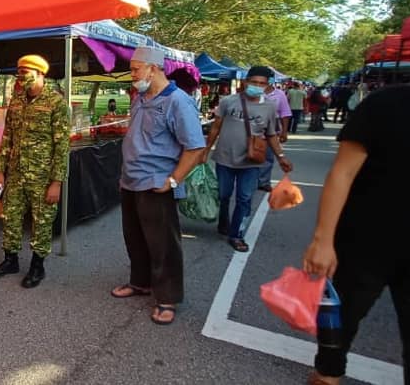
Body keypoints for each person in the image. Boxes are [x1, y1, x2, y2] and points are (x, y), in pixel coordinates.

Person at [302, 9, 410, 385]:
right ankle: (327, 371)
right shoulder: (387, 104)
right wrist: (323, 240)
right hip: (366, 243)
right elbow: (342, 173)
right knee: (340, 319)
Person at [110, 47, 205, 325]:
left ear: (153, 69)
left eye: (135, 69)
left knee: (163, 244)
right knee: (135, 238)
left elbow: (195, 148)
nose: (132, 75)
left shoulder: (178, 101)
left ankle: (167, 298)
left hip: (157, 183)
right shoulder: (140, 98)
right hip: (131, 181)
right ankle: (140, 282)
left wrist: (173, 180)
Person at [0, 54, 69, 289]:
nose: (20, 76)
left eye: (25, 72)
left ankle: (37, 266)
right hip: (16, 173)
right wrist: (0, 170)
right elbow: (7, 138)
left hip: (42, 177)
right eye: (19, 72)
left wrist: (57, 182)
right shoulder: (16, 101)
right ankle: (10, 260)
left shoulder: (56, 103)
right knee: (10, 218)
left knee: (41, 221)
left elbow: (62, 146)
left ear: (40, 73)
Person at [202, 66, 293, 252]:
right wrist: (205, 151)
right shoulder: (228, 102)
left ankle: (237, 235)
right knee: (223, 195)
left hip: (251, 162)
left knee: (244, 198)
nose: (257, 86)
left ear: (267, 85)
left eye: (262, 84)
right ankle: (223, 221)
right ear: (245, 82)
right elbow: (216, 127)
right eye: (254, 82)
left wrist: (281, 156)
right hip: (225, 159)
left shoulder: (270, 106)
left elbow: (271, 134)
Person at [257, 74, 292, 192]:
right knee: (251, 156)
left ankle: (263, 182)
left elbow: (285, 113)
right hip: (253, 130)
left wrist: (284, 132)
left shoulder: (280, 95)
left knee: (268, 157)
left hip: (271, 131)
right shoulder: (253, 93)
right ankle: (250, 180)